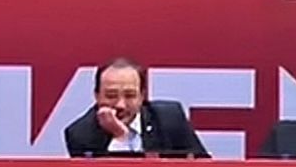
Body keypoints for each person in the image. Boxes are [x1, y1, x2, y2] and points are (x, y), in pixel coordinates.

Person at [64, 58, 209, 158]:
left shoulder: (170, 118)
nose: (120, 105)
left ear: (142, 96)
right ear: (97, 96)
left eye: (130, 95)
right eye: (111, 95)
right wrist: (121, 137)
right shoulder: (81, 134)